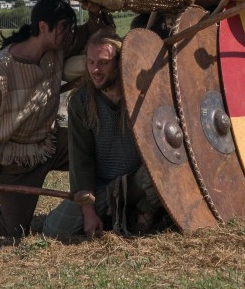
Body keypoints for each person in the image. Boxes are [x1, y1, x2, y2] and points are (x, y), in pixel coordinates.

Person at [0, 0, 113, 236]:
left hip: (52, 143)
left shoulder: (57, 47)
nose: (69, 33)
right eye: (64, 28)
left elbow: (94, 35)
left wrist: (95, 11)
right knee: (15, 230)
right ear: (42, 27)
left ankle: (100, 210)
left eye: (70, 27)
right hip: (16, 158)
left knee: (99, 152)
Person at [42, 29, 163, 237]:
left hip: (139, 184)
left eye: (103, 62)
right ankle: (117, 215)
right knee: (54, 228)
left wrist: (147, 208)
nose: (95, 70)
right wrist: (88, 211)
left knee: (155, 176)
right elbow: (81, 161)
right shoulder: (81, 101)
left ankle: (143, 214)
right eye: (91, 63)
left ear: (118, 62)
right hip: (105, 191)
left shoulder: (140, 95)